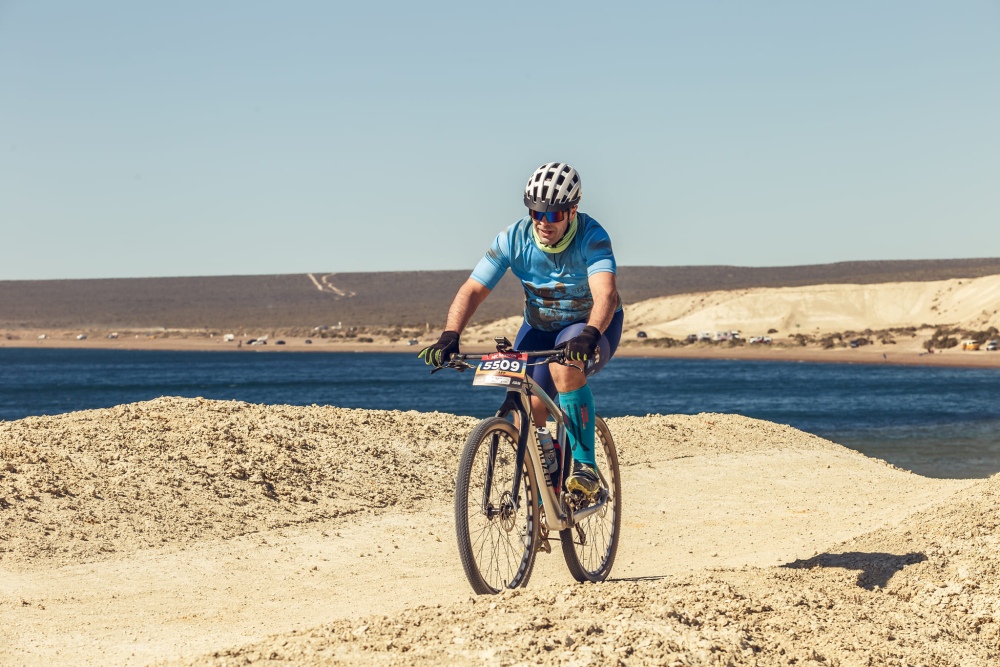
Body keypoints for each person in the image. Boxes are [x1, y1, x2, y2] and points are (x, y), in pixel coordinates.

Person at [419, 162, 624, 499]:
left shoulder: (593, 236)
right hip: (539, 326)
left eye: (554, 215)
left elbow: (606, 293)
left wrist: (590, 334)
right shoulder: (512, 239)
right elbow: (472, 289)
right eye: (536, 213)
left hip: (590, 325)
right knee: (522, 412)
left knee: (565, 366)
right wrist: (450, 335)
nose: (543, 223)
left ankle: (585, 468)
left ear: (573, 211)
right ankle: (548, 469)